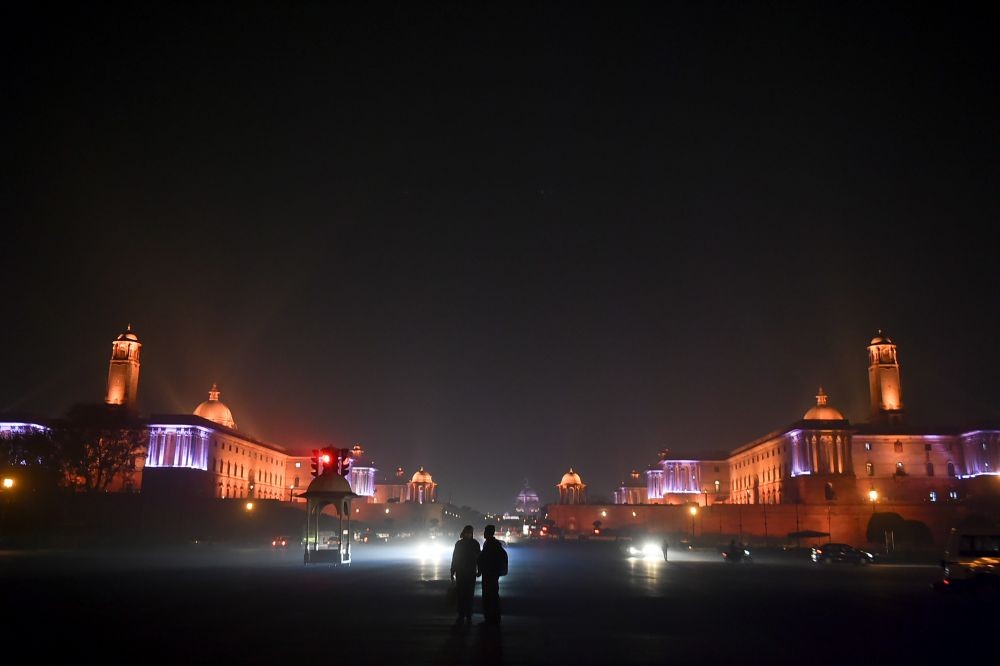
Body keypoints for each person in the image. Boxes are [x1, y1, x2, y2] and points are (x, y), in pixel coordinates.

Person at [477, 524, 508, 626]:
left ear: (489, 533)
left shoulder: (491, 545)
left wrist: (480, 569)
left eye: (485, 531)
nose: (484, 533)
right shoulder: (492, 544)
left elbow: (484, 558)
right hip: (492, 574)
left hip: (490, 574)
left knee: (489, 596)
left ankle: (491, 618)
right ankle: (493, 617)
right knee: (492, 596)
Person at [450, 525, 481, 627]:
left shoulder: (461, 544)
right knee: (464, 595)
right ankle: (464, 615)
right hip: (465, 573)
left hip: (467, 573)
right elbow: (455, 558)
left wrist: (479, 569)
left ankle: (465, 615)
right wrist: (452, 570)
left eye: (470, 532)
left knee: (466, 595)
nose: (468, 534)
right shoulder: (472, 543)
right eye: (468, 532)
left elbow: (479, 558)